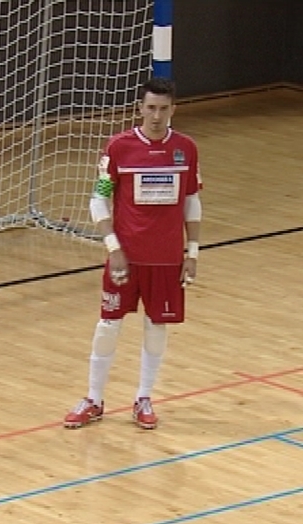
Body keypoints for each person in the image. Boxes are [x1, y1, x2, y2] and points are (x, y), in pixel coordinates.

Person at [63, 77, 203, 430]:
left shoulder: (186, 149)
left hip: (167, 259)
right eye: (150, 108)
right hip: (126, 257)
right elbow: (99, 198)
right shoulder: (119, 148)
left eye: (164, 109)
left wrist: (193, 253)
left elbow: (191, 201)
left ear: (174, 109)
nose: (156, 116)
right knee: (108, 325)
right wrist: (114, 248)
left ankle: (143, 398)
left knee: (157, 327)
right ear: (140, 108)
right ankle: (93, 399)